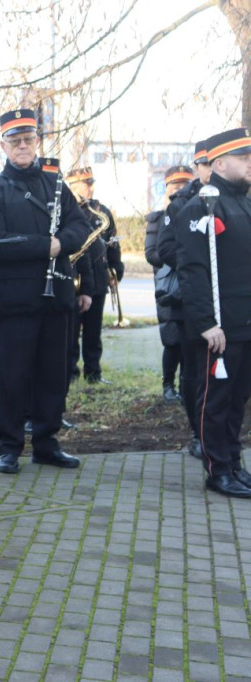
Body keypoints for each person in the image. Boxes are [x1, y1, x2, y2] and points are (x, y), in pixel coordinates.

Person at [0, 109, 90, 475]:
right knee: (13, 376)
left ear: (37, 141)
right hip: (16, 301)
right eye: (15, 140)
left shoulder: (55, 184)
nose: (23, 145)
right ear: (3, 145)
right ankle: (9, 447)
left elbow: (79, 225)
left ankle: (46, 442)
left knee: (53, 374)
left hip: (56, 297)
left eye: (28, 139)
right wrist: (47, 247)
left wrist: (61, 244)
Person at [175, 128, 251, 498]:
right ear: (220, 163)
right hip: (220, 327)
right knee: (215, 401)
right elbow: (193, 270)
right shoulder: (203, 206)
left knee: (237, 400)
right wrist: (206, 323)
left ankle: (233, 462)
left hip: (245, 323)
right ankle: (216, 469)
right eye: (244, 158)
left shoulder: (244, 203)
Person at [159, 141, 211, 460]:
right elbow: (164, 250)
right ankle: (197, 432)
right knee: (192, 373)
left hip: (228, 304)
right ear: (197, 167)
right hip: (189, 302)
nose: (211, 168)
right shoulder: (179, 203)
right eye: (205, 163)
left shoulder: (237, 198)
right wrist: (200, 260)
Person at [64, 166, 124, 384]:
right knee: (70, 332)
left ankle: (93, 372)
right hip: (74, 280)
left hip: (98, 279)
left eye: (91, 183)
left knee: (93, 332)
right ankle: (70, 372)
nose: (90, 188)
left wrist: (117, 267)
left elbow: (113, 243)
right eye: (85, 183)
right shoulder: (67, 210)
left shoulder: (102, 211)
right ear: (71, 186)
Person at [145, 165, 195, 404]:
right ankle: (168, 386)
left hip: (189, 285)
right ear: (166, 189)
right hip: (168, 286)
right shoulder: (158, 218)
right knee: (172, 340)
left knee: (189, 339)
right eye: (175, 186)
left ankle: (186, 387)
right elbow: (151, 253)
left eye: (184, 185)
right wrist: (178, 259)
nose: (180, 190)